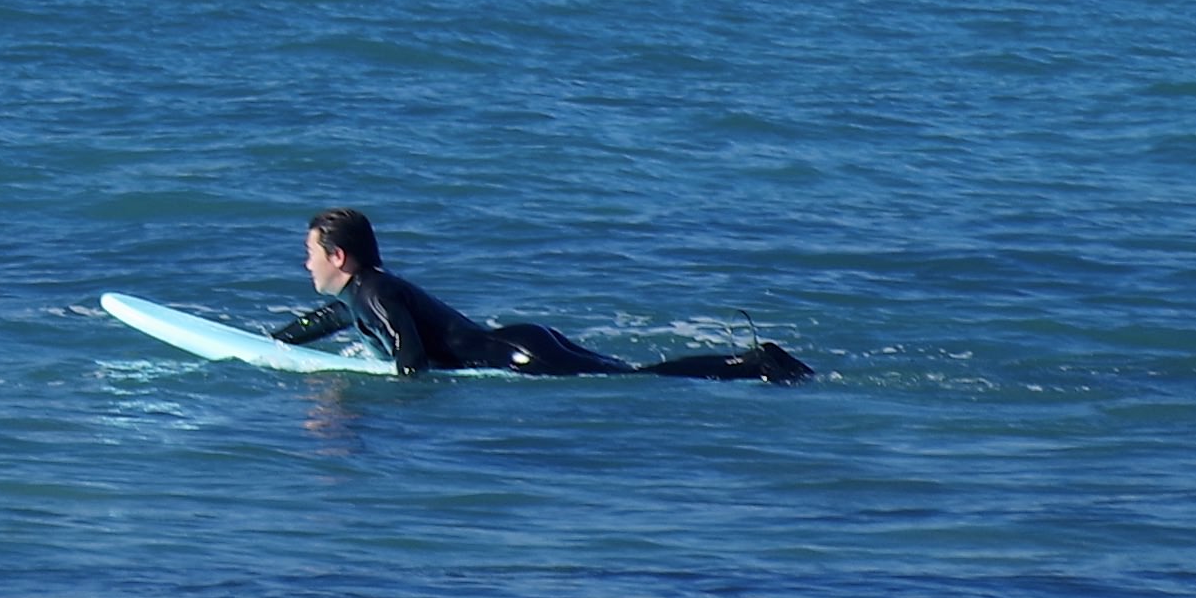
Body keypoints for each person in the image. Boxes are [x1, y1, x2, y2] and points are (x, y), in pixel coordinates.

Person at [270, 208, 811, 382]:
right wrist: (272, 342)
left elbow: (409, 359)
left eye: (310, 252)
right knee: (632, 372)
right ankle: (752, 363)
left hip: (520, 356)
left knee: (637, 378)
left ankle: (753, 364)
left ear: (338, 257)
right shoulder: (362, 292)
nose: (305, 262)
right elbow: (325, 320)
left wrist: (380, 400)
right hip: (523, 342)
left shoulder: (376, 293)